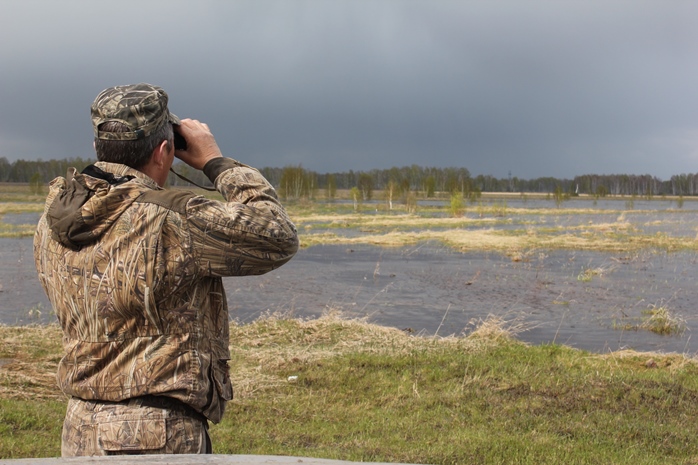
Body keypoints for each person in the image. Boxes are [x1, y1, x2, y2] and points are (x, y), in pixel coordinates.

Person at [33, 83, 299, 456]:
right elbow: (278, 236)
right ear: (164, 151)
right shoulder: (170, 218)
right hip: (157, 434)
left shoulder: (52, 219)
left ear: (99, 147)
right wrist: (214, 162)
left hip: (80, 429)